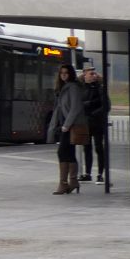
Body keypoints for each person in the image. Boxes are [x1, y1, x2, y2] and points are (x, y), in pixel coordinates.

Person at [46, 64, 87, 195]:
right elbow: (59, 109)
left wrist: (66, 125)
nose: (63, 75)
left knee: (62, 152)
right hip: (65, 125)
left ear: (71, 74)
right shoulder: (63, 88)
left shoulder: (73, 87)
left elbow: (75, 108)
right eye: (61, 73)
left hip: (70, 126)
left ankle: (64, 183)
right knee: (68, 153)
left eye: (66, 73)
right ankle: (72, 182)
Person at [79, 64, 112, 188]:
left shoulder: (100, 88)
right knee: (86, 147)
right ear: (84, 75)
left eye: (94, 73)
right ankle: (88, 173)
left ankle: (100, 173)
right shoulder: (82, 88)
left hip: (97, 122)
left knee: (99, 147)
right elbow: (79, 103)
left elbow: (106, 105)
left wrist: (94, 113)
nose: (93, 76)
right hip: (86, 122)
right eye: (90, 73)